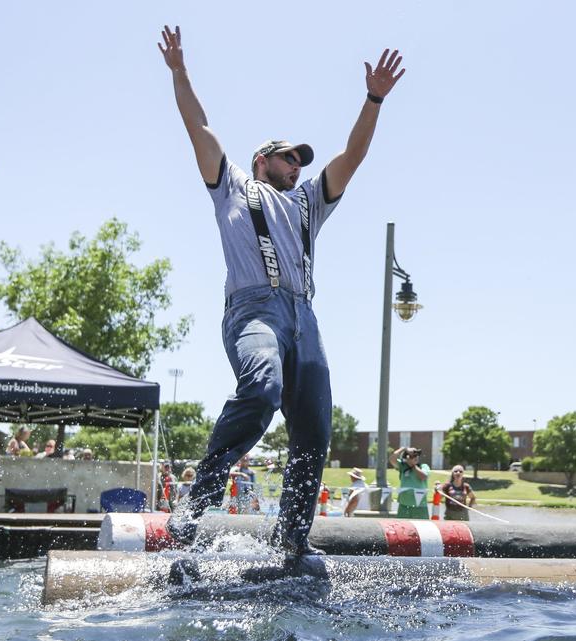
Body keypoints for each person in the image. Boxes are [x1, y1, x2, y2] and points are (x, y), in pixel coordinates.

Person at [157, 24, 405, 558]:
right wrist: (179, 70)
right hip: (254, 310)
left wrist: (374, 100)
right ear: (263, 160)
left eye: (300, 161)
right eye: (288, 157)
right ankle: (193, 506)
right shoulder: (233, 187)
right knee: (262, 387)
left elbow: (352, 157)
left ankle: (291, 540)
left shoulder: (310, 203)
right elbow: (196, 123)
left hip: (303, 318)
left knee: (316, 428)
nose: (297, 166)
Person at [391, 447, 430, 519]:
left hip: (420, 505)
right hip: (404, 505)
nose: (415, 457)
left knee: (422, 527)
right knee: (403, 527)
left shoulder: (423, 466)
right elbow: (392, 459)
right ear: (406, 458)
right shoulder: (403, 466)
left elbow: (423, 477)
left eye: (416, 455)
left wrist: (413, 465)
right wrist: (404, 449)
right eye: (412, 456)